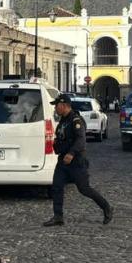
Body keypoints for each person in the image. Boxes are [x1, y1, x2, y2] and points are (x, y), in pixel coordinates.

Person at [43, 93, 113, 227]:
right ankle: (58, 216)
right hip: (63, 160)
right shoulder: (63, 121)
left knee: (84, 189)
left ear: (63, 105)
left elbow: (81, 140)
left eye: (56, 106)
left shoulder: (76, 120)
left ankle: (107, 207)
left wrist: (71, 153)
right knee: (57, 187)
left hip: (76, 161)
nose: (55, 109)